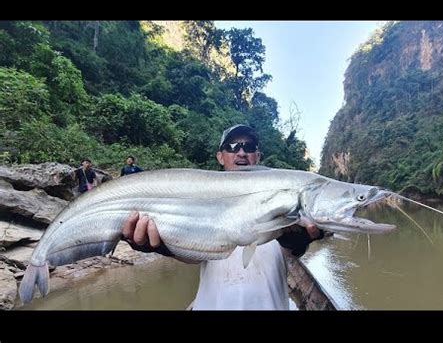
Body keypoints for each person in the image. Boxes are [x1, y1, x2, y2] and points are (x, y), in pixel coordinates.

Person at [121, 124, 325, 310]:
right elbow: (191, 256)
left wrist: (296, 240)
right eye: (233, 146)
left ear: (258, 156)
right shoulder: (201, 199)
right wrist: (162, 246)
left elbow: (292, 249)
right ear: (220, 156)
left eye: (249, 146)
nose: (242, 152)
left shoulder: (281, 199)